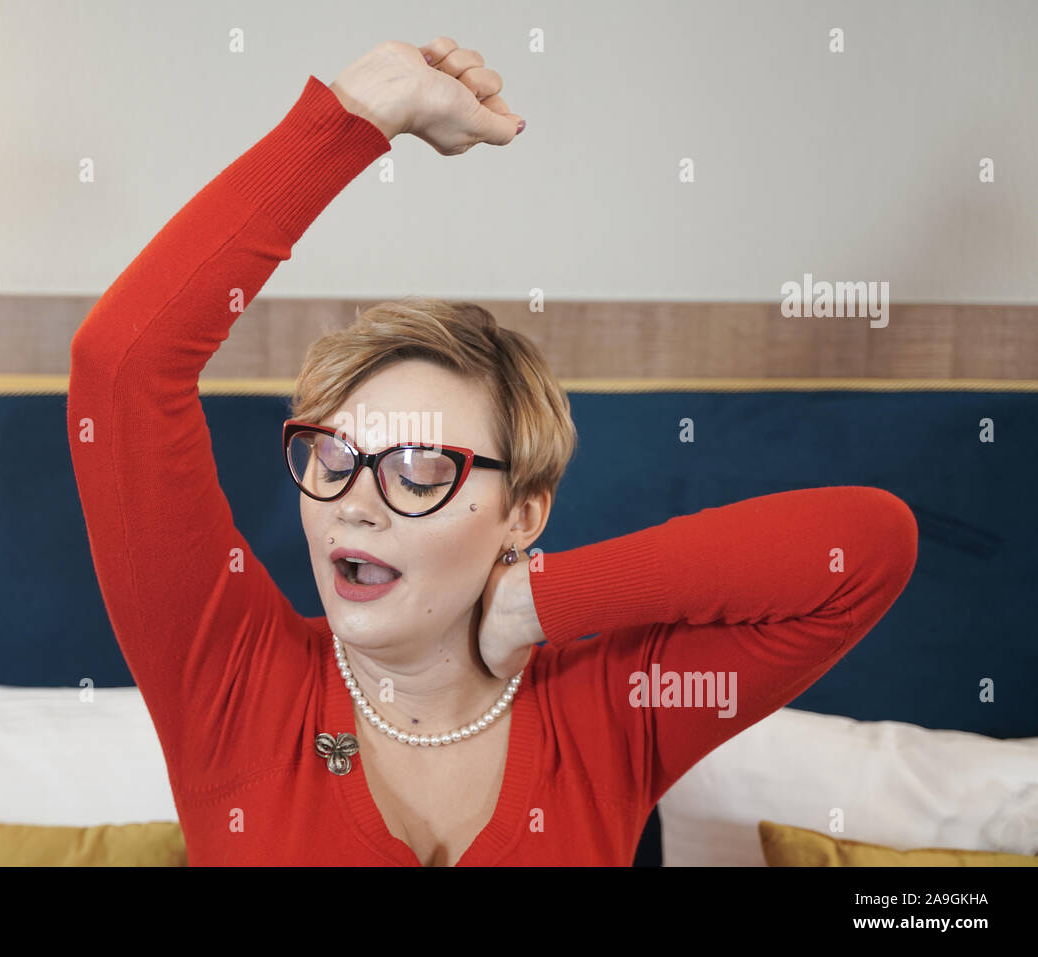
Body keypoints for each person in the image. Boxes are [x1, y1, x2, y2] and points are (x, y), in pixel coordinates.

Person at [67, 37, 919, 866]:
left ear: (522, 514)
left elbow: (866, 548)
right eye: (334, 456)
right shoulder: (231, 677)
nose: (354, 502)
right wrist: (362, 109)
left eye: (418, 469)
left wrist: (536, 606)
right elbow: (121, 369)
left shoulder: (613, 707)